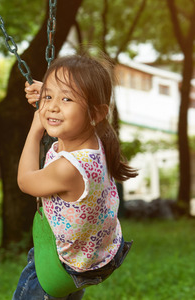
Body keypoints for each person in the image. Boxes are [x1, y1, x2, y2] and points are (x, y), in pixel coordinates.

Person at [13, 54, 137, 300]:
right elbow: (67, 106)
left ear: (95, 113)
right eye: (48, 97)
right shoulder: (96, 140)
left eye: (66, 98)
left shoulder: (68, 169)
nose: (52, 106)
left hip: (58, 266)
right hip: (87, 260)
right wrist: (52, 94)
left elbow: (25, 181)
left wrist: (35, 130)